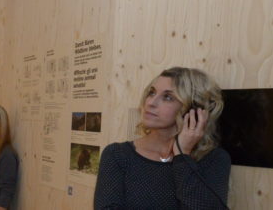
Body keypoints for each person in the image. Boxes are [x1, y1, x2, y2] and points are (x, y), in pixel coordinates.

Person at [93, 67, 230, 209]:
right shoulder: (117, 155)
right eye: (151, 93)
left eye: (168, 97)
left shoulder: (214, 159)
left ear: (193, 110)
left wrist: (182, 156)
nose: (150, 103)